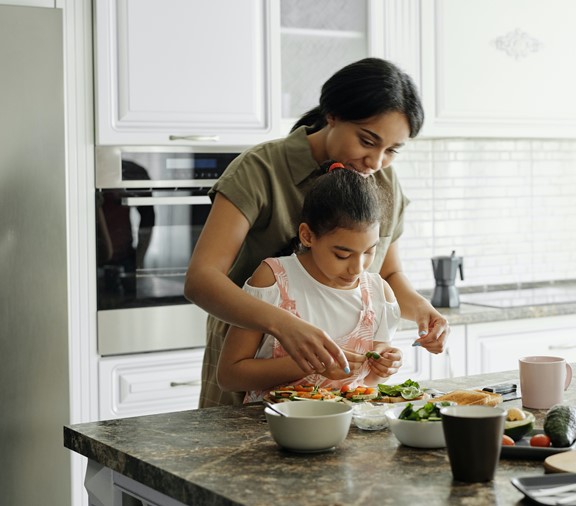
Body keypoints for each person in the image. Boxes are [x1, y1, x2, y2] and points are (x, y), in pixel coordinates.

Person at [185, 57, 450, 408]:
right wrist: (285, 325)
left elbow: (387, 273)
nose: (376, 161)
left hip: (338, 393)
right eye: (367, 141)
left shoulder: (383, 180)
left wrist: (422, 310)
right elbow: (201, 279)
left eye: (391, 151)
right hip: (251, 363)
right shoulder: (260, 169)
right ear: (333, 115)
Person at [217, 166, 403, 402]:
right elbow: (229, 376)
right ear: (307, 235)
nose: (358, 268)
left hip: (349, 428)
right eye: (342, 255)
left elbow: (368, 383)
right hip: (271, 428)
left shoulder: (378, 293)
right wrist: (309, 364)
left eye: (369, 251)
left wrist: (384, 367)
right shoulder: (274, 280)